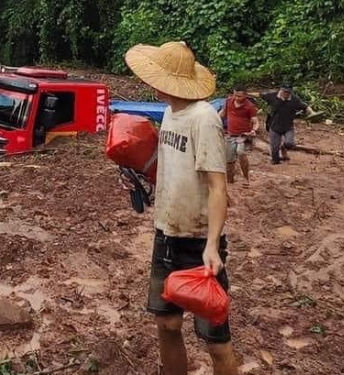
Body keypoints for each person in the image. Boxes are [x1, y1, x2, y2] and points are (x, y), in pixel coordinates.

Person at [124, 41, 238, 375]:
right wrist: (140, 175)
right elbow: (171, 169)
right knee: (167, 324)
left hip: (199, 242)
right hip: (167, 235)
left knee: (215, 340)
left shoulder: (203, 119)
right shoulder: (171, 115)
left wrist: (213, 246)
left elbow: (219, 188)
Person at [250, 84, 315, 165]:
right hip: (274, 127)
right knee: (275, 156)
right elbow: (259, 95)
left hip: (288, 127)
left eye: (288, 92)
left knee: (289, 144)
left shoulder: (294, 99)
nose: (286, 94)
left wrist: (313, 113)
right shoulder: (272, 96)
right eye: (285, 92)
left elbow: (305, 107)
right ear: (281, 90)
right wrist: (246, 93)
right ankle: (276, 161)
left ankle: (283, 148)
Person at [218, 85, 259, 183]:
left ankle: (246, 178)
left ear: (245, 95)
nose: (236, 98)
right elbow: (223, 113)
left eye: (239, 96)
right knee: (229, 160)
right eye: (235, 95)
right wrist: (214, 119)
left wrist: (254, 130)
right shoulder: (228, 102)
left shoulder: (249, 106)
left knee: (241, 153)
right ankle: (230, 180)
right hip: (230, 134)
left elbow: (255, 121)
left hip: (243, 135)